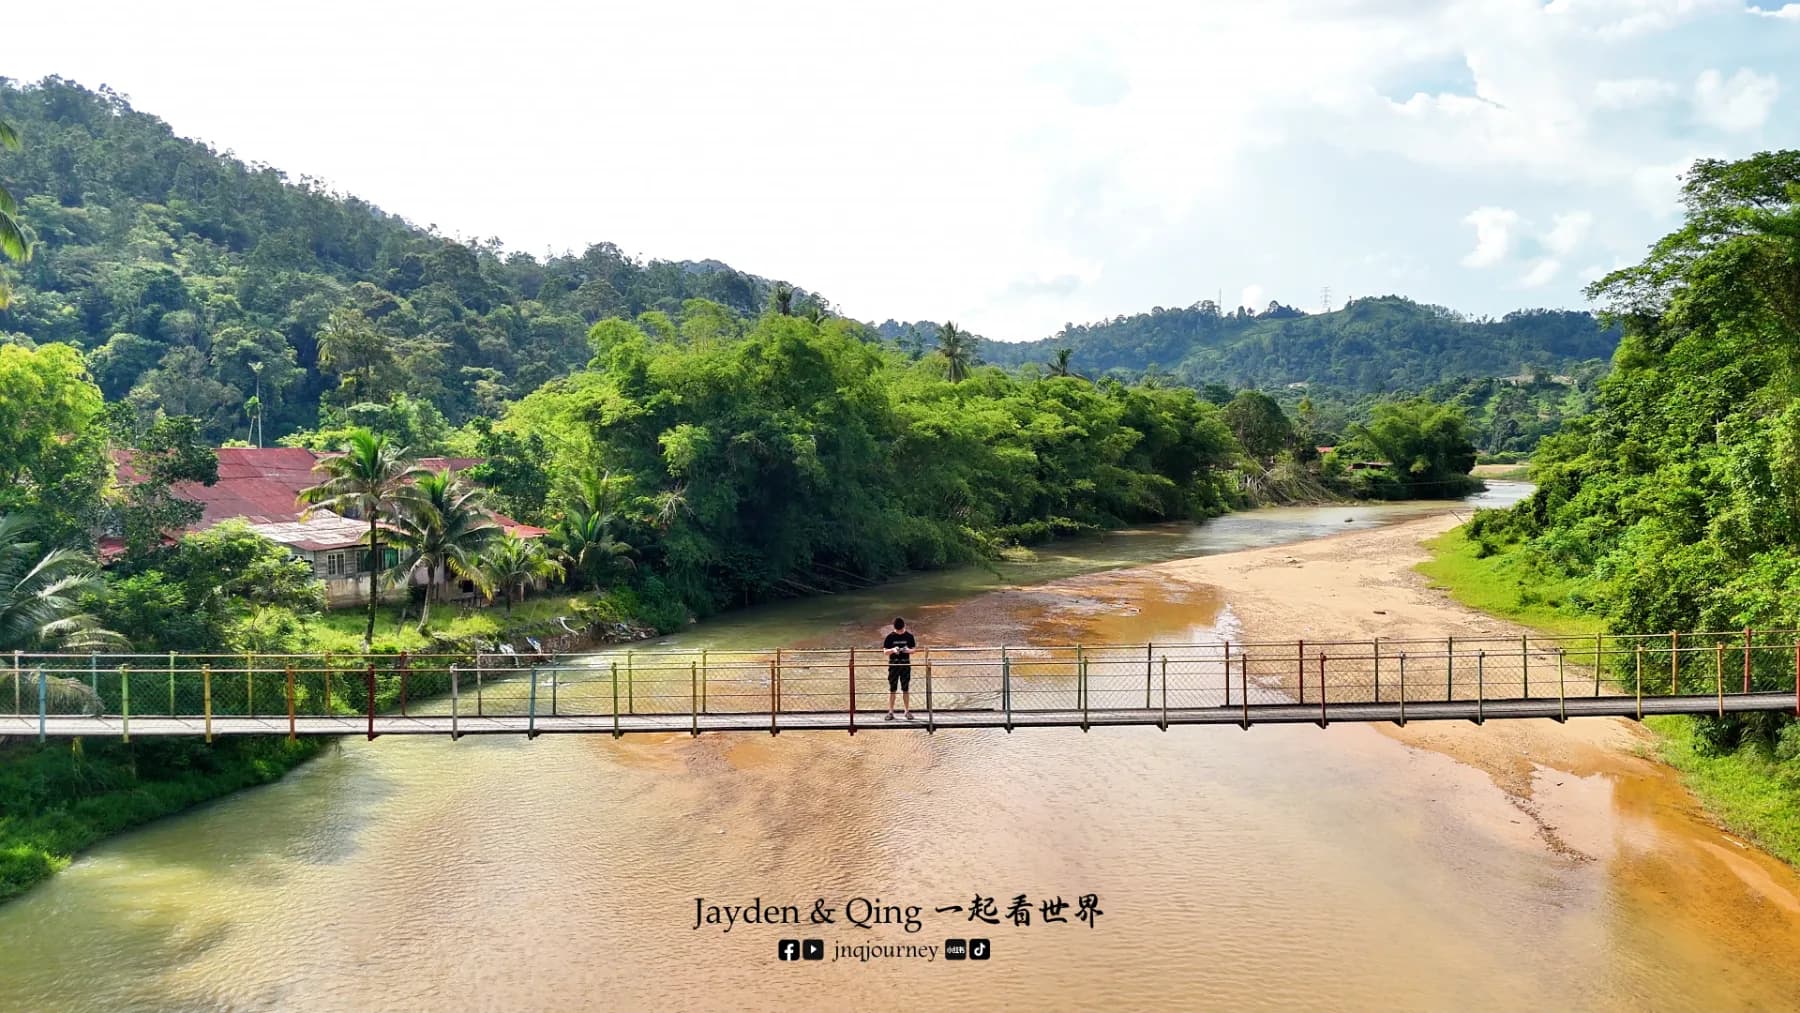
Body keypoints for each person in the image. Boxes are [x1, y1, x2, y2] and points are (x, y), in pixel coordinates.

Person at [882, 617, 917, 721]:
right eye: (898, 631)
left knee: (905, 689)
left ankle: (906, 711)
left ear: (904, 627)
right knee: (892, 689)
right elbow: (885, 652)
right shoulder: (889, 637)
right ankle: (891, 712)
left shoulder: (909, 636)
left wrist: (907, 650)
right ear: (894, 628)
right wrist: (893, 650)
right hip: (893, 665)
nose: (900, 633)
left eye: (901, 631)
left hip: (905, 665)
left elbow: (914, 650)